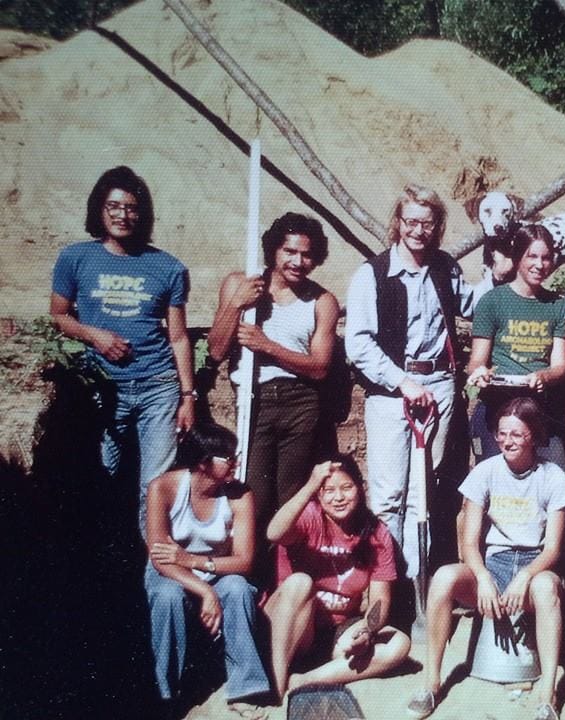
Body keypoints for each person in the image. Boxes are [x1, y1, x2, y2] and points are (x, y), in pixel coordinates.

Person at [50, 166, 195, 534]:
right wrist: (95, 335)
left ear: (142, 214)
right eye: (114, 206)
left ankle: (154, 563)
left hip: (157, 386)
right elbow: (59, 315)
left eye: (131, 208)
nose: (122, 215)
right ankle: (102, 559)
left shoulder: (167, 267)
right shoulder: (75, 258)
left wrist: (187, 396)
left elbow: (179, 337)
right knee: (103, 474)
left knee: (155, 486)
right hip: (103, 387)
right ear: (99, 209)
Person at [407, 398, 565, 720]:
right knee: (444, 577)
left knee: (546, 589)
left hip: (534, 566)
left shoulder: (552, 476)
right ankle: (431, 682)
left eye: (517, 434)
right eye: (502, 434)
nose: (507, 441)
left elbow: (553, 548)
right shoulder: (486, 471)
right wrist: (482, 577)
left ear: (534, 436)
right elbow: (469, 542)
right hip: (494, 564)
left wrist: (525, 576)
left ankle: (547, 693)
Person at [345, 184, 473, 582]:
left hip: (439, 385)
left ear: (438, 226)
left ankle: (417, 583)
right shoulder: (372, 274)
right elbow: (358, 344)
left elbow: (472, 304)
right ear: (398, 223)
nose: (419, 231)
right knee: (389, 495)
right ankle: (387, 584)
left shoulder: (445, 268)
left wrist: (499, 270)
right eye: (411, 222)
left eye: (428, 223)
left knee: (423, 492)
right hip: (390, 392)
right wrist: (402, 381)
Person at [207, 212, 340, 588]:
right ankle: (248, 584)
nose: (298, 261)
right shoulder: (241, 284)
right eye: (290, 252)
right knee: (254, 494)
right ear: (273, 250)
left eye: (307, 254)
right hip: (255, 399)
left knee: (290, 499)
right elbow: (216, 350)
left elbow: (319, 367)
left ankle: (286, 587)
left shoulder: (322, 301)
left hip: (301, 402)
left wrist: (268, 346)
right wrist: (236, 305)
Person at [144, 423, 270, 719]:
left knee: (238, 589)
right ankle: (167, 694)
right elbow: (160, 558)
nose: (235, 463)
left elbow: (244, 560)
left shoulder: (239, 495)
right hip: (172, 572)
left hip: (216, 570)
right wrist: (205, 591)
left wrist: (194, 561)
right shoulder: (163, 488)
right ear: (203, 463)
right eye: (228, 458)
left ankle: (244, 690)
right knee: (167, 597)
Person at [263, 456, 410, 697]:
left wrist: (367, 630)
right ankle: (276, 685)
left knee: (399, 644)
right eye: (328, 490)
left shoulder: (376, 533)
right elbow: (274, 533)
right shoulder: (310, 517)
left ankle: (303, 680)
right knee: (300, 582)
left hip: (336, 631)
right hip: (290, 626)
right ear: (318, 495)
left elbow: (379, 599)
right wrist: (311, 485)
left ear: (360, 488)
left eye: (347, 487)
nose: (339, 497)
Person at [466, 224, 565, 474]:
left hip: (541, 409)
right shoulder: (492, 301)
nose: (539, 265)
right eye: (532, 256)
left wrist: (544, 376)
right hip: (497, 407)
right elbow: (477, 360)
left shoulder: (558, 306)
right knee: (496, 481)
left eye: (546, 258)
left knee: (554, 477)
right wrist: (480, 372)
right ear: (518, 257)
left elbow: (560, 366)